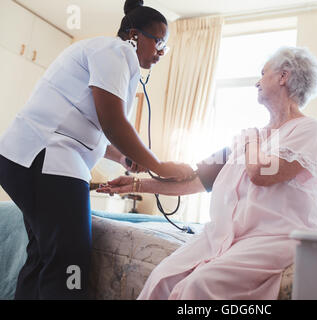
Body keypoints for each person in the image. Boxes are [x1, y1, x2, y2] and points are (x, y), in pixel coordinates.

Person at [98, 46, 317, 299]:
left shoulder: (309, 131)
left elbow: (261, 174)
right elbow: (195, 180)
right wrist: (135, 185)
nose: (257, 82)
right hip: (227, 236)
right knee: (162, 278)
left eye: (263, 73)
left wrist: (250, 143)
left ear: (283, 77)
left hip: (274, 239)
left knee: (198, 286)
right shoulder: (249, 137)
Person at [0, 0, 194, 300]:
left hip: (27, 156)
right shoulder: (116, 52)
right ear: (133, 35)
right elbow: (112, 124)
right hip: (47, 159)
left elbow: (86, 127)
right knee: (69, 262)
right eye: (159, 42)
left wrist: (123, 157)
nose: (160, 52)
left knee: (43, 255)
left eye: (164, 47)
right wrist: (161, 165)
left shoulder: (107, 55)